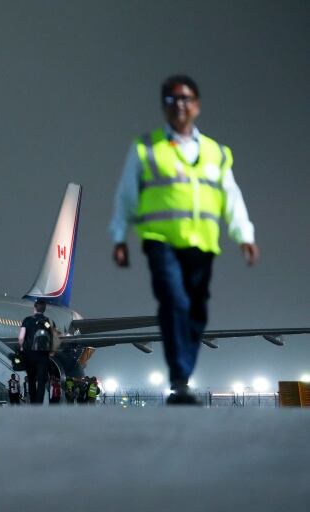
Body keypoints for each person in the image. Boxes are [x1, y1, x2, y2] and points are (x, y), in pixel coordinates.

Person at [110, 75, 259, 405]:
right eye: (171, 100)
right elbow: (127, 196)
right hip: (160, 241)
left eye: (186, 98)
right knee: (174, 302)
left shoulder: (217, 153)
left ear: (197, 105)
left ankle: (183, 374)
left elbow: (230, 196)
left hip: (202, 244)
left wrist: (244, 235)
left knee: (195, 309)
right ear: (163, 107)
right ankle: (179, 378)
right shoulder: (146, 148)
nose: (179, 105)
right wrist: (119, 236)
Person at [18, 300, 54, 404]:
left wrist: (21, 348)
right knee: (41, 381)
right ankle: (39, 403)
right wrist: (50, 351)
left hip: (30, 354)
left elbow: (21, 337)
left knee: (31, 379)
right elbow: (51, 335)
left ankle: (33, 403)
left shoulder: (28, 320)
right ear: (44, 309)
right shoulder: (47, 322)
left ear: (34, 308)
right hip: (43, 355)